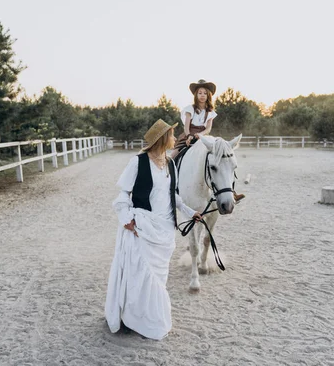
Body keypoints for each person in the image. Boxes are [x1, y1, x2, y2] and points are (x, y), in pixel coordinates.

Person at [105, 119, 202, 340]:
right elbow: (122, 196)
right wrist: (126, 219)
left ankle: (148, 317)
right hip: (142, 228)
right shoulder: (137, 162)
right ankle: (131, 318)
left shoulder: (170, 164)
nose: (174, 138)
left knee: (159, 278)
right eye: (171, 134)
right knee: (138, 275)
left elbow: (172, 196)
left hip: (165, 231)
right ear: (162, 138)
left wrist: (190, 211)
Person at [171, 79, 245, 203]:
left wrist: (200, 135)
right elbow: (186, 126)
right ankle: (169, 185)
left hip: (202, 136)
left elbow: (208, 128)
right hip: (188, 135)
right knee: (172, 156)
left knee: (222, 161)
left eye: (205, 93)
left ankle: (232, 192)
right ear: (196, 95)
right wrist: (189, 135)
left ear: (208, 95)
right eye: (199, 93)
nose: (202, 95)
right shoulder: (190, 109)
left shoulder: (210, 111)